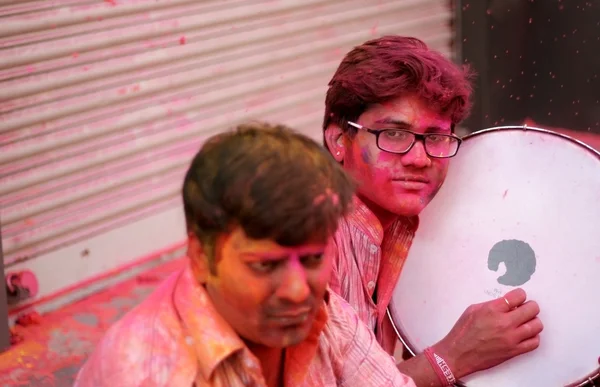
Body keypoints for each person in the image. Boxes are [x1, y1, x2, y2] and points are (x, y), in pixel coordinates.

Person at [74, 122, 416, 387]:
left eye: (312, 259)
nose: (298, 290)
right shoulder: (149, 372)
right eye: (266, 265)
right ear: (201, 258)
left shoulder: (327, 315)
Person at [323, 36, 544, 386]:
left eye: (436, 136)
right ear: (339, 140)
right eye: (394, 133)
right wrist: (453, 357)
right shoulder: (306, 241)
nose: (419, 159)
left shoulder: (399, 224)